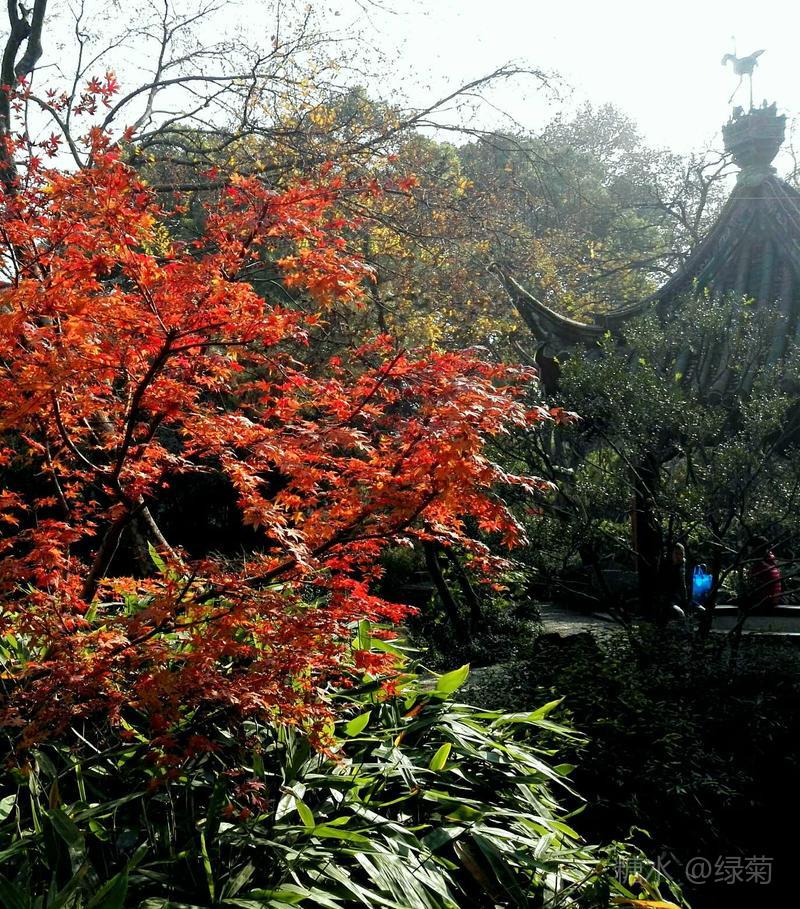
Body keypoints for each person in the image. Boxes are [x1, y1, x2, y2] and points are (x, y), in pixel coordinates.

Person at [747, 538, 782, 614]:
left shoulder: (760, 565)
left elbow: (752, 586)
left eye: (750, 548)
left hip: (766, 601)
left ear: (755, 549)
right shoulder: (770, 561)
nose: (748, 551)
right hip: (774, 599)